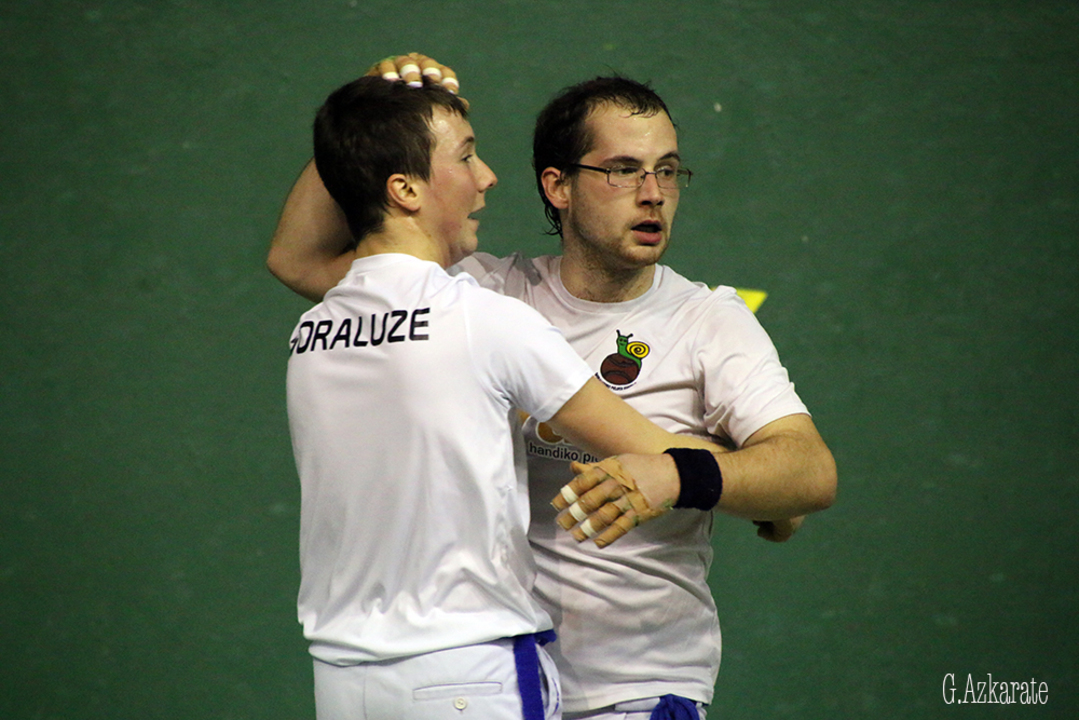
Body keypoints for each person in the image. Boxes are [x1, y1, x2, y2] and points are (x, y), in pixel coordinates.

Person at [271, 56, 837, 720]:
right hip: (501, 674)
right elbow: (298, 258)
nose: (652, 192)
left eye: (666, 170)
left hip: (632, 687)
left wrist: (679, 476)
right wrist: (376, 115)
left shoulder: (709, 320)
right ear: (558, 185)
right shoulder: (482, 295)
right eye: (623, 169)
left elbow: (807, 472)